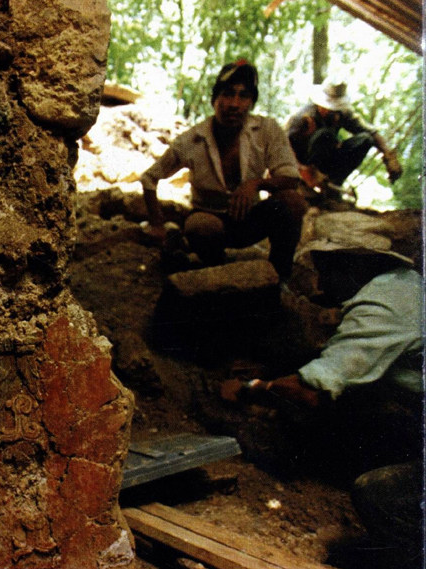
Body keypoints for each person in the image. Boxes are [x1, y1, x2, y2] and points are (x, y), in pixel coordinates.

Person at [221, 238, 424, 560]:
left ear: (353, 266)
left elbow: (310, 391)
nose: (320, 284)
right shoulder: (405, 284)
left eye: (325, 272)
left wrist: (250, 388)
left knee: (379, 495)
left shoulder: (382, 308)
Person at [140, 60, 307, 280]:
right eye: (227, 94)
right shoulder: (192, 140)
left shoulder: (266, 130)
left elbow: (291, 178)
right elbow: (149, 178)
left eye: (243, 96)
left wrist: (255, 184)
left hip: (250, 219)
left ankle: (278, 277)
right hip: (210, 221)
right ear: (215, 100)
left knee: (293, 202)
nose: (234, 104)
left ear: (251, 102)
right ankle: (213, 267)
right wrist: (156, 224)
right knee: (200, 226)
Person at [286, 80, 402, 192]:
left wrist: (388, 155)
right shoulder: (302, 117)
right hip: (302, 162)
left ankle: (334, 184)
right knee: (325, 135)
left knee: (366, 139)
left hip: (328, 163)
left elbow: (372, 133)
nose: (331, 112)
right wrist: (302, 169)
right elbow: (284, 146)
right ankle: (311, 181)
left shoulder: (343, 114)